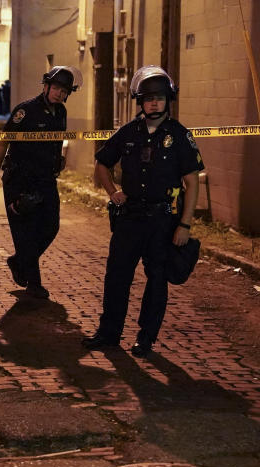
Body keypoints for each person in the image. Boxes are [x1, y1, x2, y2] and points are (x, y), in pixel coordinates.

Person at [82, 65, 204, 357]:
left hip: (162, 221)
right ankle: (108, 334)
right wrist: (113, 193)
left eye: (160, 97)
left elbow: (191, 181)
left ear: (168, 100)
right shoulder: (128, 133)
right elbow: (102, 164)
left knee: (156, 280)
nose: (154, 102)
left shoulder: (179, 135)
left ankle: (145, 338)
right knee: (116, 277)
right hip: (129, 219)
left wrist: (184, 225)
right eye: (149, 97)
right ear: (140, 101)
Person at [0, 65, 81, 299]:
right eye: (56, 88)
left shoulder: (61, 113)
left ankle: (19, 261)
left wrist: (59, 159)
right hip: (19, 180)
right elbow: (2, 143)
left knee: (51, 227)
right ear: (46, 86)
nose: (59, 94)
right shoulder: (25, 111)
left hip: (45, 179)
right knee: (25, 232)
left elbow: (58, 142)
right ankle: (34, 284)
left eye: (64, 90)